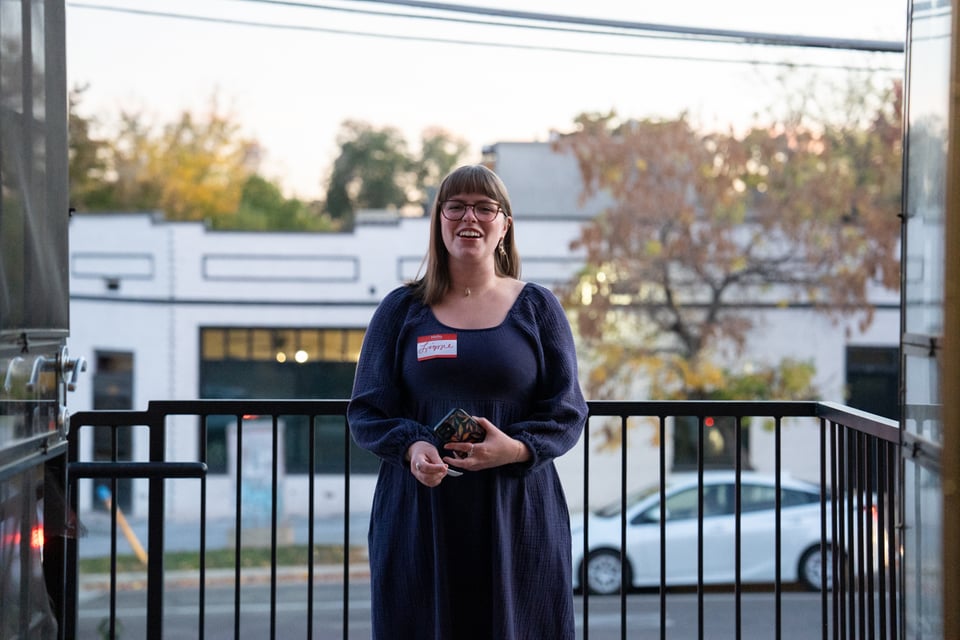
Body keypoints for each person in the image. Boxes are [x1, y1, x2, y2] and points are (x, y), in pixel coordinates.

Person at [347, 164, 588, 639]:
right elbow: (367, 410)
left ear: (505, 224)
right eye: (454, 207)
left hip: (516, 514)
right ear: (438, 220)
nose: (468, 218)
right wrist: (413, 448)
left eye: (484, 207)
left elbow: (567, 410)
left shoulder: (538, 308)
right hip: (420, 515)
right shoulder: (401, 310)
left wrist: (515, 449)